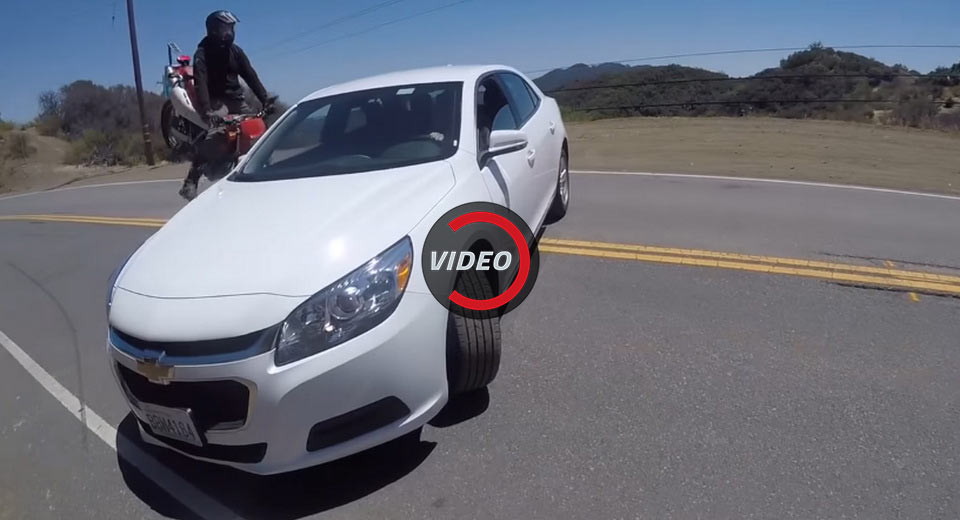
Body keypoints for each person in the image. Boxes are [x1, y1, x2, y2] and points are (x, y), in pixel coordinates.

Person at [179, 10, 273, 201]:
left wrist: (266, 99)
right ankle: (191, 181)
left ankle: (265, 170)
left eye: (231, 29)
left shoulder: (235, 51)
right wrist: (207, 110)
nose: (229, 33)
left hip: (236, 100)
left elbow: (250, 75)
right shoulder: (202, 53)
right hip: (216, 101)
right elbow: (200, 82)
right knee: (216, 135)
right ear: (213, 30)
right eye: (225, 29)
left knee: (260, 130)